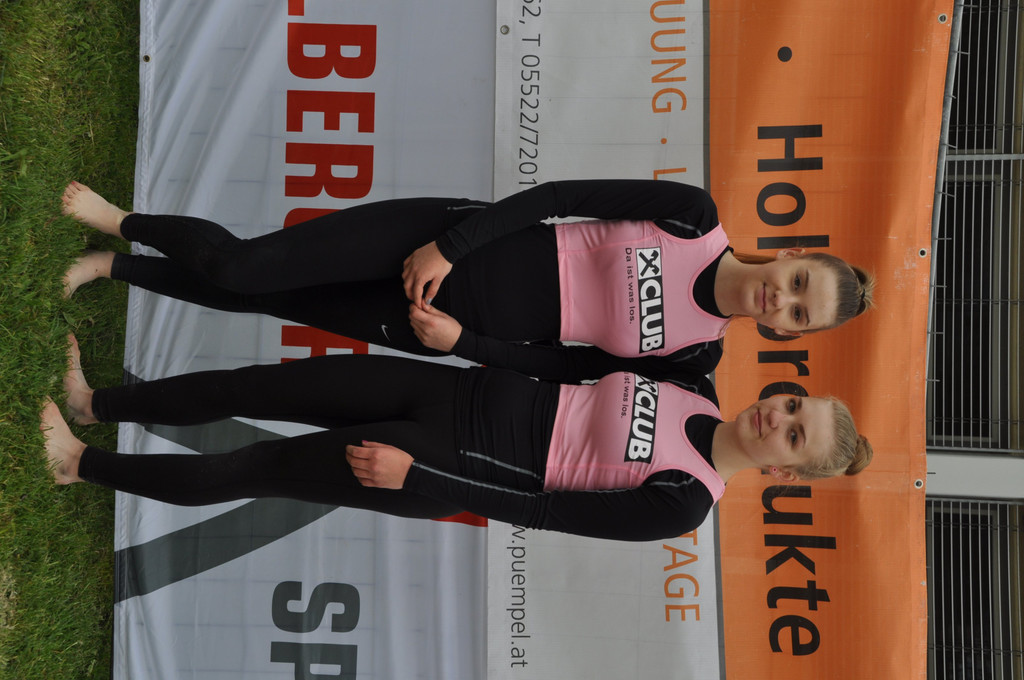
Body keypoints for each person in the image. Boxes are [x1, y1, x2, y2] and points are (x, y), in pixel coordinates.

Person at [41, 337, 873, 542]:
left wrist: (418, 478)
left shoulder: (686, 502)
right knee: (262, 385)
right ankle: (95, 403)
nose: (779, 417)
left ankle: (79, 465)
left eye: (794, 436)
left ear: (784, 473)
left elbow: (540, 512)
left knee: (256, 464)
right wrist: (467, 342)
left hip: (439, 464)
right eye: (794, 404)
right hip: (448, 389)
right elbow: (567, 362)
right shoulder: (695, 383)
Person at [61, 179, 875, 383]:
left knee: (267, 301)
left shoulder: (696, 359)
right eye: (800, 279)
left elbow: (568, 370)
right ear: (792, 254)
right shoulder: (694, 217)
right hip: (448, 243)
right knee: (247, 267)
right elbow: (558, 198)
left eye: (799, 313)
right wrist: (449, 246)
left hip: (444, 326)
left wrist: (463, 345)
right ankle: (122, 223)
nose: (783, 297)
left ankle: (115, 269)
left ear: (787, 333)